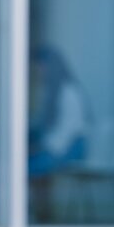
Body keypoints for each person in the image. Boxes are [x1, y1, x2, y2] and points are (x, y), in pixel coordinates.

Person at [28, 45, 89, 178]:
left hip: (71, 147)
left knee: (29, 166)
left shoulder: (69, 92)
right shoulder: (48, 92)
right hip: (57, 144)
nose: (39, 72)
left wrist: (44, 147)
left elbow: (66, 131)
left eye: (42, 67)